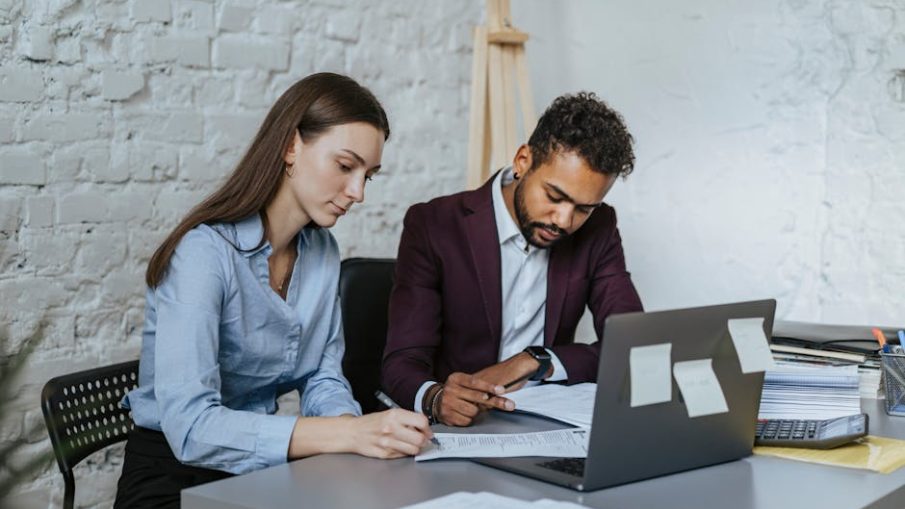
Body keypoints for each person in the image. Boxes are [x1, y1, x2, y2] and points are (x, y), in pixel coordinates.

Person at [114, 73, 432, 508]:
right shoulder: (202, 254)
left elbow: (321, 375)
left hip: (259, 471)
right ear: (290, 146)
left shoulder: (321, 251)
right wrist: (347, 433)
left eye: (368, 176)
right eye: (345, 166)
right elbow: (191, 428)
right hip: (172, 478)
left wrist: (357, 435)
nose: (357, 193)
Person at [381, 92, 644, 426]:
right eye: (554, 196)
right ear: (523, 161)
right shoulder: (435, 225)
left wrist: (536, 360)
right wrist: (435, 398)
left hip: (548, 421)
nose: (564, 221)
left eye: (584, 209)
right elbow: (401, 362)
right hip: (460, 428)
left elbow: (633, 344)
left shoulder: (599, 228)